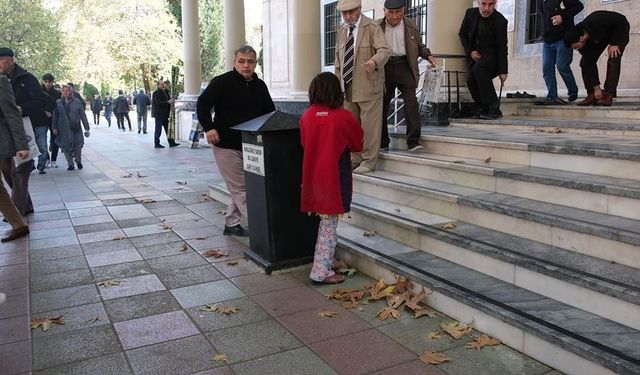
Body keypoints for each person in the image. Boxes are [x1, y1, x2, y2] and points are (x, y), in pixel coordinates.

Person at [197, 45, 275, 237]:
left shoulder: (260, 86)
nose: (246, 65)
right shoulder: (222, 82)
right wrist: (209, 127)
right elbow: (203, 103)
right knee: (242, 188)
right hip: (225, 144)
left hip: (251, 145)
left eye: (250, 61)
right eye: (241, 61)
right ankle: (264, 231)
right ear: (234, 62)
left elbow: (270, 113)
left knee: (245, 186)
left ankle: (232, 223)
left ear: (256, 63)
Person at [300, 72, 363, 284]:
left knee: (325, 221)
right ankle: (320, 271)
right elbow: (357, 144)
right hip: (335, 178)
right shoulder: (343, 117)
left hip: (312, 177)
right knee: (329, 224)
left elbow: (303, 143)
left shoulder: (307, 116)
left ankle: (327, 259)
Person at [335, 0, 389, 174]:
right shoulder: (342, 30)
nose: (347, 16)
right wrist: (337, 86)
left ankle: (369, 161)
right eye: (344, 13)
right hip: (347, 88)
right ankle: (355, 158)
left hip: (369, 86)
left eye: (350, 12)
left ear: (359, 9)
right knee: (352, 127)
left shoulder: (372, 27)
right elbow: (338, 62)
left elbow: (384, 50)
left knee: (370, 127)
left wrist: (374, 61)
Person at [379, 0, 437, 152]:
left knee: (411, 103)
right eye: (391, 12)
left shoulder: (410, 25)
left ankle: (413, 141)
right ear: (384, 11)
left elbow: (419, 46)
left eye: (398, 12)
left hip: (406, 65)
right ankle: (383, 141)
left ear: (403, 10)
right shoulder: (377, 27)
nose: (394, 16)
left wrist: (428, 56)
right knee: (382, 105)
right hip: (385, 67)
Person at [0, 47, 46, 215]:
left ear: (10, 60)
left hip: (24, 130)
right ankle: (26, 204)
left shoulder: (27, 78)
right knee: (7, 171)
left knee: (20, 171)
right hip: (4, 134)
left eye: (1, 60)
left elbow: (42, 102)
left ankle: (17, 214)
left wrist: (22, 108)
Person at [564, 10, 630, 107]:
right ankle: (592, 95)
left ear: (581, 38)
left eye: (576, 47)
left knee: (614, 57)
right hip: (601, 37)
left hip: (619, 29)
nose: (576, 50)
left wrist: (615, 42)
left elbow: (621, 20)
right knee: (584, 63)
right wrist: (596, 88)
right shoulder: (583, 46)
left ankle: (608, 94)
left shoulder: (596, 20)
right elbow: (590, 64)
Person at [458, 0, 508, 120]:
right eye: (484, 4)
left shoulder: (500, 21)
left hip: (492, 57)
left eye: (490, 4)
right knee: (470, 79)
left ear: (495, 3)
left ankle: (494, 108)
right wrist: (470, 51)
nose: (486, 8)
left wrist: (503, 71)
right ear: (478, 3)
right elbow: (462, 34)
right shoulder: (470, 14)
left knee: (479, 68)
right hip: (475, 55)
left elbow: (502, 47)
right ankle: (482, 108)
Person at [534, 0, 583, 106]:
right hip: (547, 40)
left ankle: (573, 91)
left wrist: (563, 17)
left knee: (562, 66)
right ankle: (552, 96)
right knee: (547, 69)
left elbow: (579, 6)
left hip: (562, 38)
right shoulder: (541, 2)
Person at [0, 75, 30, 242]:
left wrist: (22, 144)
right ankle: (19, 226)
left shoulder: (1, 82)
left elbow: (11, 113)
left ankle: (19, 225)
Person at [52, 85, 91, 171]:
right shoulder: (58, 102)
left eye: (67, 90)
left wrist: (87, 128)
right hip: (63, 128)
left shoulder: (77, 102)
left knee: (78, 145)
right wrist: (54, 127)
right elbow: (55, 116)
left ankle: (78, 160)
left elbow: (82, 115)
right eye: (63, 90)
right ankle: (70, 164)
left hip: (75, 128)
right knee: (65, 146)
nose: (65, 92)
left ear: (71, 92)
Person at [152, 81, 179, 148]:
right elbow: (158, 103)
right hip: (159, 114)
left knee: (168, 129)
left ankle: (171, 142)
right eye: (161, 84)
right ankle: (156, 144)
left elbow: (168, 100)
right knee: (158, 129)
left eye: (163, 84)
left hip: (165, 114)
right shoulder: (156, 93)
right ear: (158, 85)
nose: (163, 85)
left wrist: (172, 99)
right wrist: (168, 102)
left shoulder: (166, 92)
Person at [42, 73, 61, 169]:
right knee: (42, 141)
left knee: (55, 140)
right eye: (45, 82)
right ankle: (46, 159)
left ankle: (54, 160)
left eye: (49, 82)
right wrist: (44, 111)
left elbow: (58, 107)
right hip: (42, 119)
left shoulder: (57, 93)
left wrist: (52, 113)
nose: (47, 84)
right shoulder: (39, 91)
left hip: (54, 119)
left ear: (52, 82)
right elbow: (36, 103)